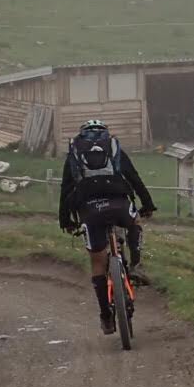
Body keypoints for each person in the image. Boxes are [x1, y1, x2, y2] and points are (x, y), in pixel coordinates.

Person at [58, 118, 158, 334]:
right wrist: (148, 205)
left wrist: (65, 221)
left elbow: (66, 189)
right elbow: (134, 178)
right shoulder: (113, 147)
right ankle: (136, 264)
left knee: (97, 262)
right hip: (118, 204)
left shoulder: (75, 152)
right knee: (135, 222)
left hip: (90, 210)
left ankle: (106, 316)